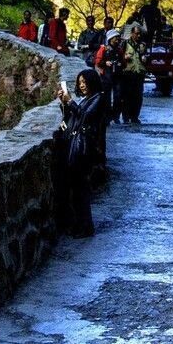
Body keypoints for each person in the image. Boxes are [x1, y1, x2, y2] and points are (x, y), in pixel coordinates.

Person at [57, 69, 107, 237]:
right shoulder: (88, 99)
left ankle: (85, 227)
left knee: (81, 190)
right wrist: (64, 103)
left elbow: (85, 117)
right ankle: (81, 225)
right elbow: (71, 118)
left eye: (84, 82)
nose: (82, 85)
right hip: (77, 147)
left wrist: (70, 101)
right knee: (76, 190)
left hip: (85, 149)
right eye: (80, 83)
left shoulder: (99, 98)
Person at [119, 25, 147, 124]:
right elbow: (119, 56)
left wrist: (145, 59)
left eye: (140, 34)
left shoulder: (143, 45)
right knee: (127, 96)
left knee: (138, 97)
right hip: (127, 73)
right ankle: (126, 117)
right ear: (132, 33)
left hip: (139, 73)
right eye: (136, 33)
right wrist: (124, 57)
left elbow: (147, 57)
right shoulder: (125, 43)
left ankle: (135, 116)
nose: (138, 36)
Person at [96, 29, 124, 123]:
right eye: (116, 38)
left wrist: (121, 64)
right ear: (111, 38)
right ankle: (107, 117)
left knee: (118, 96)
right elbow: (97, 61)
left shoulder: (119, 50)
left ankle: (116, 116)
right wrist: (105, 63)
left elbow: (123, 61)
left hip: (117, 76)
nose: (117, 40)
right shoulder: (103, 49)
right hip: (106, 76)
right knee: (106, 97)